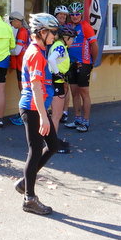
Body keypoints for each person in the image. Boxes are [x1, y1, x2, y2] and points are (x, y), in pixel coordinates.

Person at [14, 13, 59, 215]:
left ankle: (26, 181)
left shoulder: (41, 51)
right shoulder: (34, 53)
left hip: (37, 108)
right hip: (32, 108)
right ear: (42, 32)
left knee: (54, 145)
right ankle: (29, 198)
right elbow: (36, 87)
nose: (55, 37)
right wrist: (43, 116)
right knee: (35, 150)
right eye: (53, 33)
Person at [64, 1, 98, 132]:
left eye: (77, 14)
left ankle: (86, 120)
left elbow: (94, 45)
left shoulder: (85, 26)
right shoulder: (68, 26)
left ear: (81, 14)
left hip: (84, 63)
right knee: (74, 93)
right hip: (71, 64)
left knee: (84, 93)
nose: (74, 16)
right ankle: (77, 118)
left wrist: (92, 62)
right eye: (72, 14)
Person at [48, 24, 76, 153]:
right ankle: (52, 145)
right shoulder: (60, 46)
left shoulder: (61, 45)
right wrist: (58, 73)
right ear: (66, 37)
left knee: (55, 115)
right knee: (56, 115)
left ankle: (52, 141)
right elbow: (52, 59)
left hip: (57, 82)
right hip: (57, 82)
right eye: (72, 39)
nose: (73, 41)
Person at [8, 11, 29, 126]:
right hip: (24, 65)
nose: (11, 25)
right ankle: (23, 114)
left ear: (17, 21)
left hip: (22, 66)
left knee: (24, 92)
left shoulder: (22, 32)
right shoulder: (26, 30)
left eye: (12, 22)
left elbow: (17, 51)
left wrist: (6, 50)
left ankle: (24, 116)